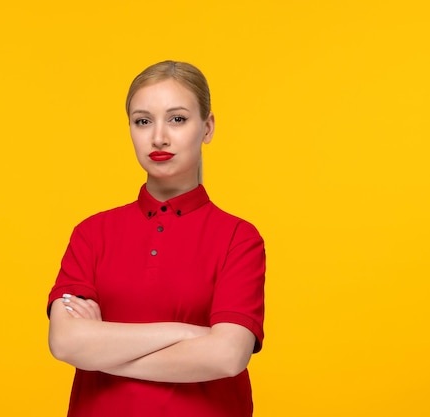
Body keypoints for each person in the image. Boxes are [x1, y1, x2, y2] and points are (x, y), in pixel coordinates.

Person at [47, 60, 266, 417]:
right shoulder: (91, 233)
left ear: (207, 127)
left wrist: (101, 350)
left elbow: (226, 356)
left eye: (177, 119)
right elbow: (65, 342)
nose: (158, 137)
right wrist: (187, 333)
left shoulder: (238, 238)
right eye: (143, 121)